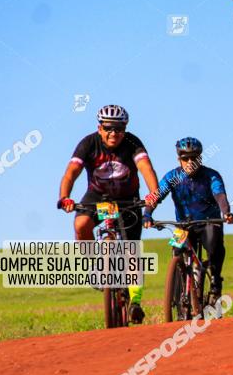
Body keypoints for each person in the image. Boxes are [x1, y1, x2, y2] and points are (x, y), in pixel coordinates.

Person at [57, 105, 160, 323]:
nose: (114, 134)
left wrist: (153, 193)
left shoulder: (133, 142)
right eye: (108, 128)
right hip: (97, 197)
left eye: (119, 129)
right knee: (81, 224)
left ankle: (136, 302)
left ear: (125, 129)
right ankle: (95, 264)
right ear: (99, 128)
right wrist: (65, 197)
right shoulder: (88, 143)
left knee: (131, 252)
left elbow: (146, 168)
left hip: (128, 199)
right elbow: (71, 173)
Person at [143, 137, 233, 305]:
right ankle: (178, 297)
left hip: (209, 221)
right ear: (179, 159)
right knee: (177, 253)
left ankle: (215, 281)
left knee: (214, 246)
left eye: (195, 158)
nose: (190, 162)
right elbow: (156, 195)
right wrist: (147, 214)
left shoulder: (211, 176)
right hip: (183, 225)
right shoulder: (173, 177)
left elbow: (219, 195)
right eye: (185, 158)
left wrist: (226, 212)